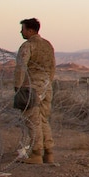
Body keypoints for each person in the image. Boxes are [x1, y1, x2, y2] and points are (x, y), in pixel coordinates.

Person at [15, 17, 56, 164]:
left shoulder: (27, 46)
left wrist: (18, 86)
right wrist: (48, 83)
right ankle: (49, 153)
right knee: (43, 119)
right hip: (47, 86)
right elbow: (52, 67)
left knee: (32, 120)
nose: (21, 32)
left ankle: (37, 153)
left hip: (31, 86)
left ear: (30, 30)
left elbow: (21, 67)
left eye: (23, 29)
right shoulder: (47, 45)